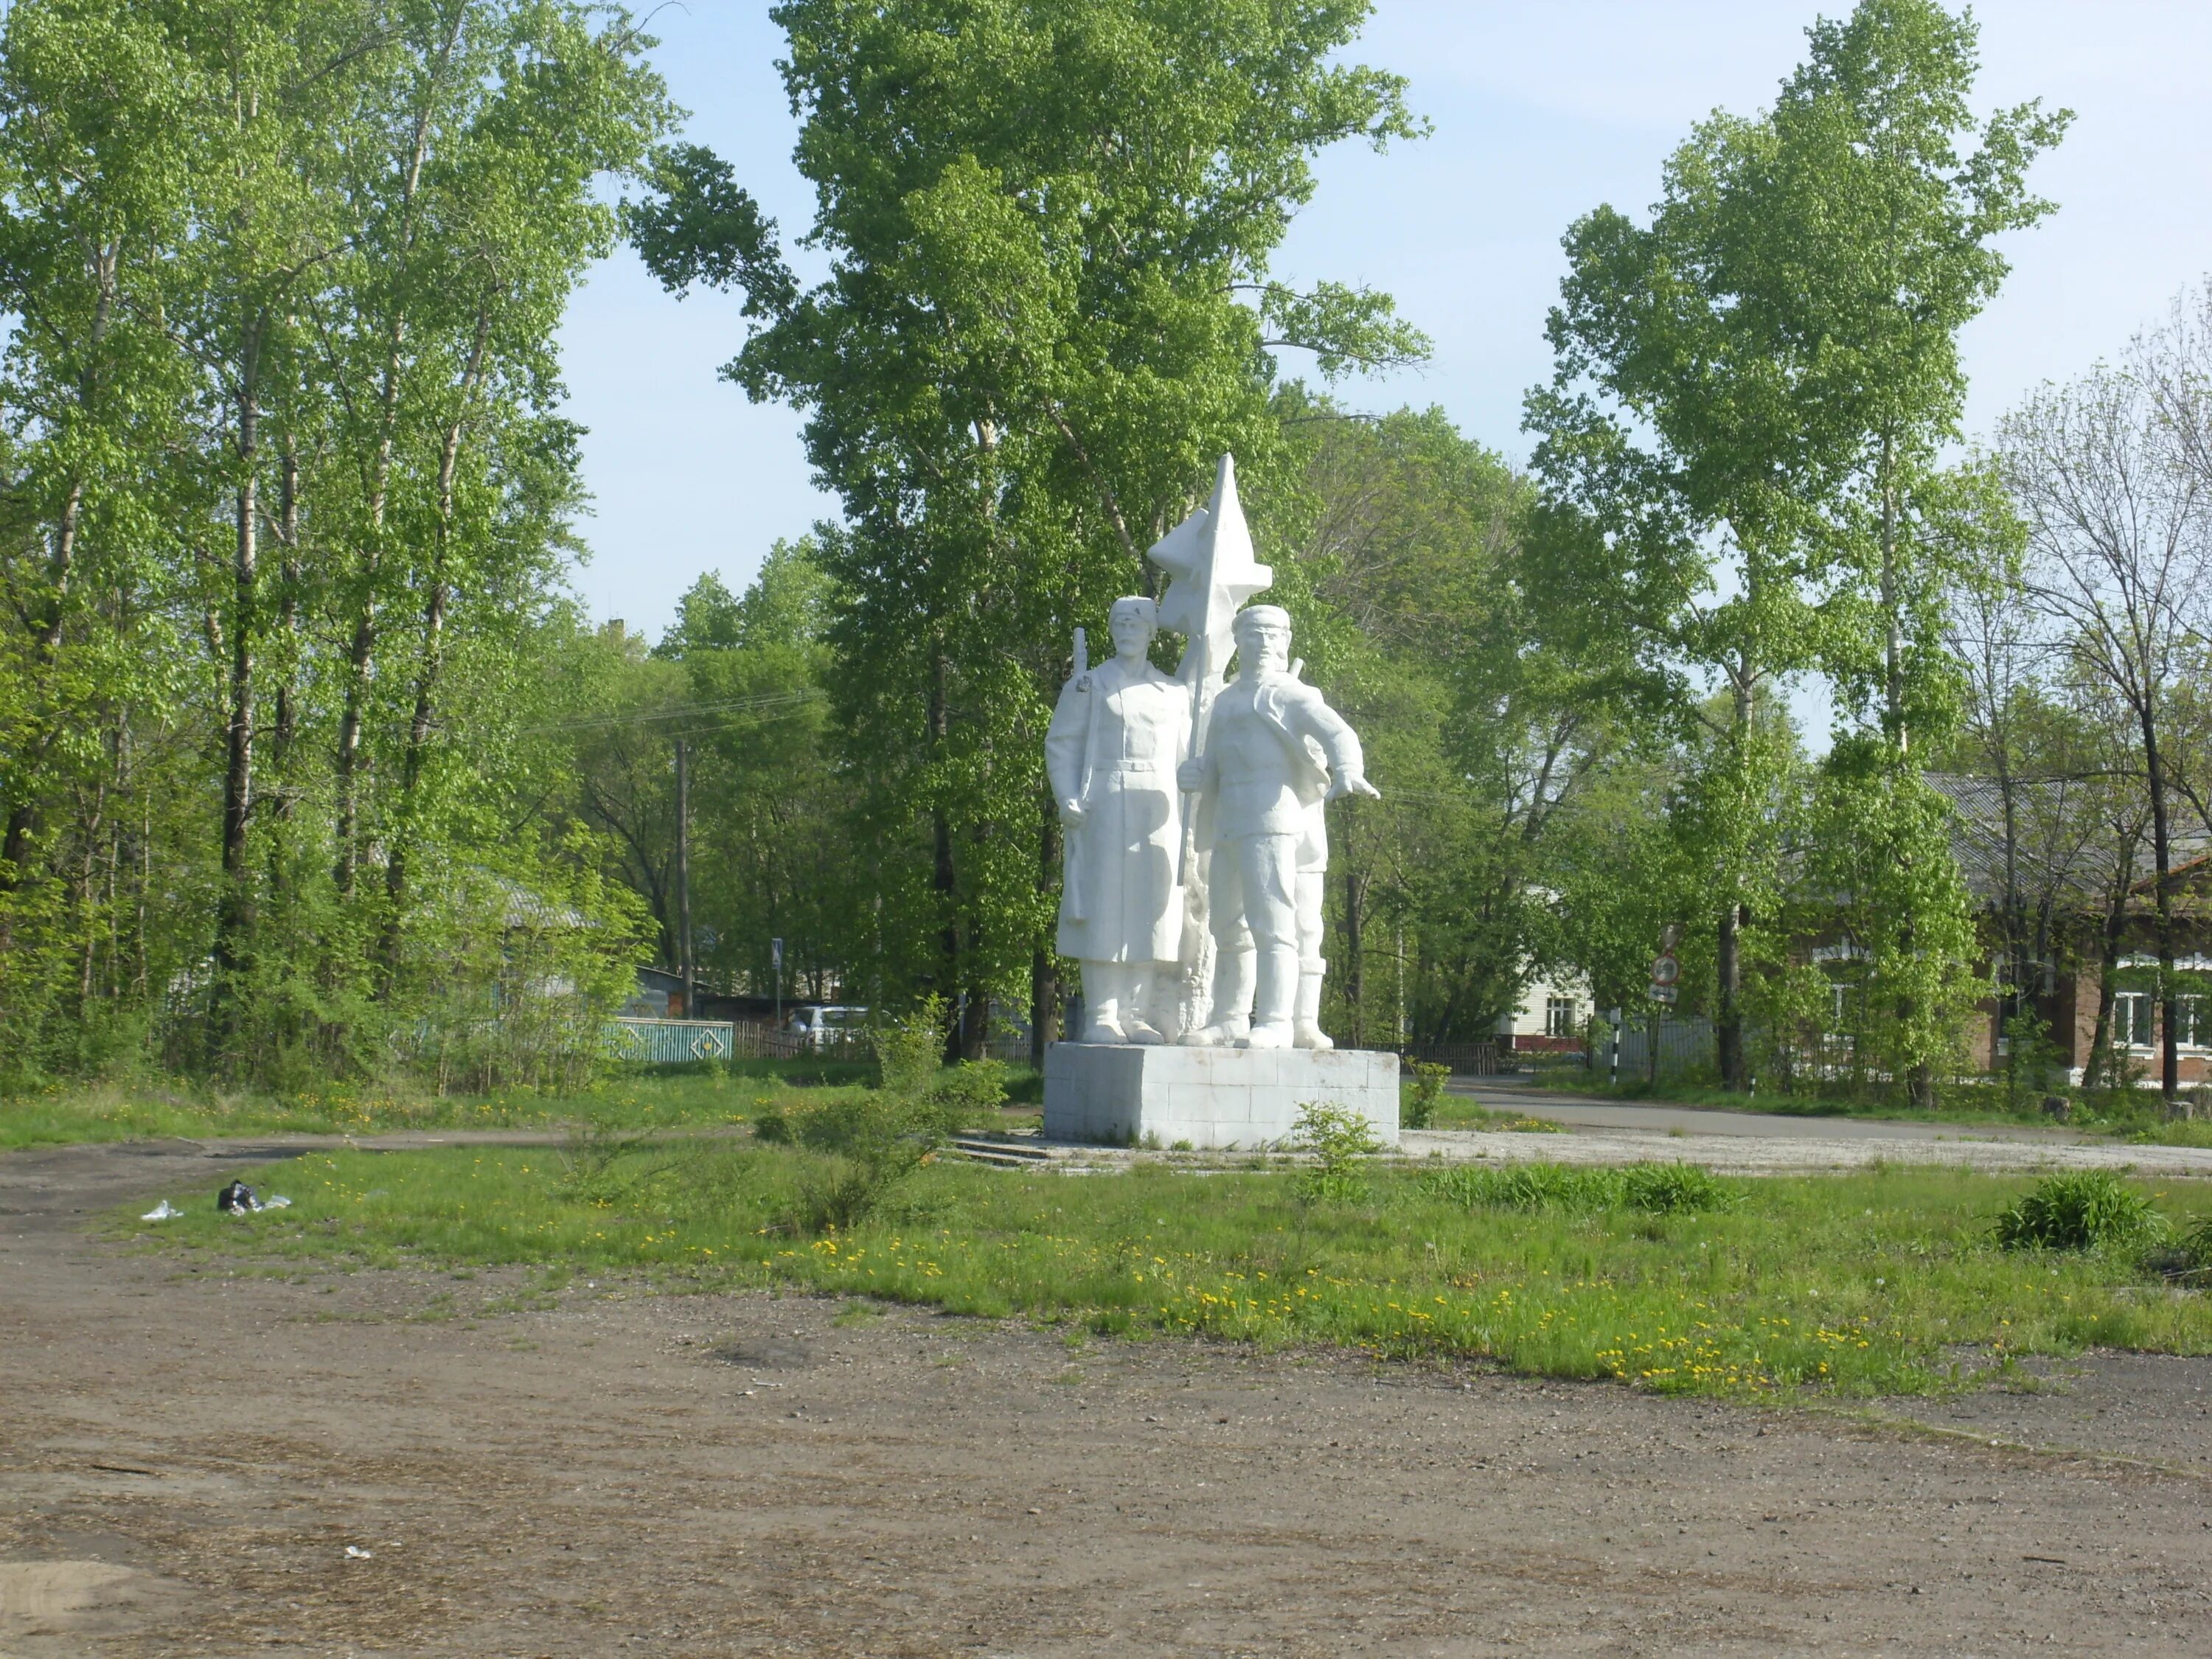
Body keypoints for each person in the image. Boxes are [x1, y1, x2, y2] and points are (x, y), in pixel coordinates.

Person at [1177, 605, 1377, 1049]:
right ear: (1239, 641)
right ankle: (1230, 1017)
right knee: (1227, 925)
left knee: (1274, 923)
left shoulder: (1289, 693)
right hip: (1229, 818)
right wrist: (1196, 773)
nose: (1264, 643)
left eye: (1272, 635)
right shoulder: (1226, 699)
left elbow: (1339, 733)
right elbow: (1215, 762)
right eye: (1254, 634)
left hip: (1272, 819)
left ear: (1285, 642)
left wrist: (1347, 769)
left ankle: (1276, 1020)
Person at [1046, 597, 1191, 1043]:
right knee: (1105, 905)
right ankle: (1102, 1014)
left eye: (1137, 623)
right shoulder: (1089, 685)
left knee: (1151, 908)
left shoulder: (1174, 692)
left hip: (1160, 802)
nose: (1127, 630)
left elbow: (1187, 753)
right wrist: (1067, 796)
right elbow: (1062, 745)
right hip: (1105, 799)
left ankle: (1135, 1013)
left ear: (1151, 632)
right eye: (1119, 623)